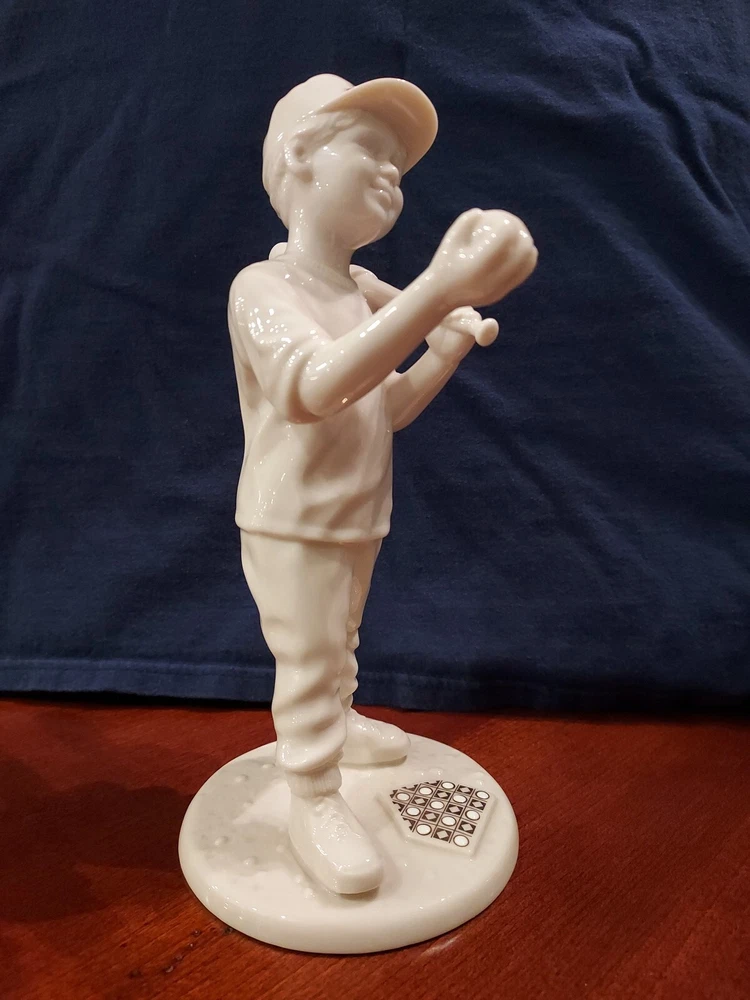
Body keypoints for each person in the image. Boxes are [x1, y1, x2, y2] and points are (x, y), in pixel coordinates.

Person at [228, 74, 537, 894]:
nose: (390, 174)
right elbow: (312, 387)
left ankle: (340, 718)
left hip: (357, 509)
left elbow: (383, 407)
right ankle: (312, 793)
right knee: (308, 655)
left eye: (399, 164)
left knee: (341, 639)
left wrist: (443, 349)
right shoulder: (262, 287)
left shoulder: (357, 291)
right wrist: (435, 292)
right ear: (300, 155)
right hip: (292, 517)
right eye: (369, 149)